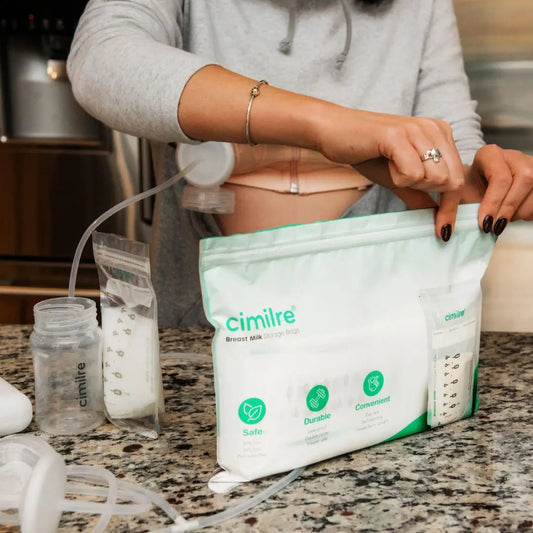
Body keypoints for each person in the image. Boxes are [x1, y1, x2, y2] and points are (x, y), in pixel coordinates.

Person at [67, 0, 533, 327]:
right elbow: (102, 58)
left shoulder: (419, 7)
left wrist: (474, 181)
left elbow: (448, 144)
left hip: (377, 336)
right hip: (201, 330)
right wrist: (323, 124)